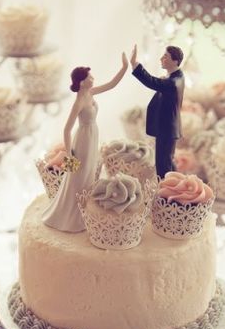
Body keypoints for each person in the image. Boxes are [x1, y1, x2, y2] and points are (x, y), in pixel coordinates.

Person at [42, 53, 128, 232]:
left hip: (92, 135)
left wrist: (124, 67)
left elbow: (112, 84)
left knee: (89, 174)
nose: (93, 79)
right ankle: (70, 218)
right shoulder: (79, 101)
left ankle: (84, 213)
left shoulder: (91, 92)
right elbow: (66, 129)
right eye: (90, 77)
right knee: (77, 177)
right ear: (81, 82)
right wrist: (69, 154)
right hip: (81, 140)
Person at [130, 44, 185, 178]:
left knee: (163, 166)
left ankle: (167, 194)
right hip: (166, 128)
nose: (161, 59)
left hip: (167, 130)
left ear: (175, 61)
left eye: (165, 56)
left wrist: (135, 65)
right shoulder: (175, 77)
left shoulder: (173, 82)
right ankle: (173, 189)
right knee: (167, 163)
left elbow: (152, 82)